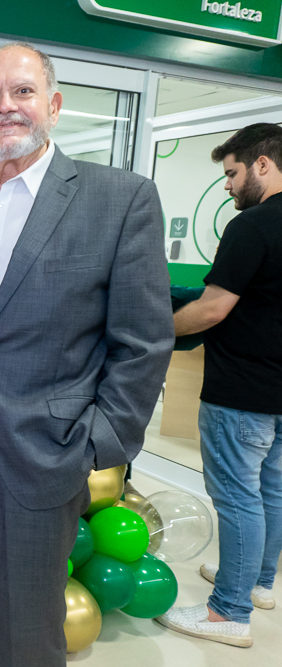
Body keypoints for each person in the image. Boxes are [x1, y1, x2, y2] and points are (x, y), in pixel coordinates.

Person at [0, 42, 173, 666]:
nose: (4, 107)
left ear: (54, 106)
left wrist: (95, 445)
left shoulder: (118, 199)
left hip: (44, 457)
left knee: (28, 640)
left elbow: (143, 341)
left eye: (23, 92)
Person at [158, 123, 282, 648]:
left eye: (232, 173)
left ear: (262, 164)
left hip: (242, 391)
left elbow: (212, 309)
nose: (228, 185)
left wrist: (152, 332)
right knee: (271, 491)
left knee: (237, 498)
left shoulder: (252, 226)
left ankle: (227, 612)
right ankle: (256, 584)